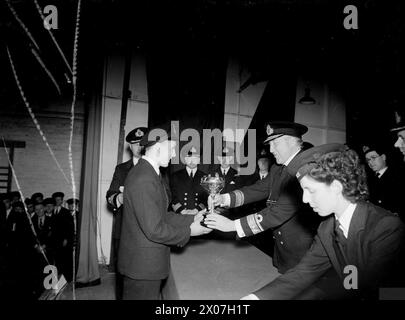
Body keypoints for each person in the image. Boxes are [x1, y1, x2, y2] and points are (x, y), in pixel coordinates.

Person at [240, 144, 405, 300]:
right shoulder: (327, 228)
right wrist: (256, 298)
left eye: (310, 191)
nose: (305, 200)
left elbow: (379, 291)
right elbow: (305, 272)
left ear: (336, 187)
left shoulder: (386, 227)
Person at [205, 121, 319, 274]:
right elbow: (258, 189)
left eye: (274, 144)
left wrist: (233, 226)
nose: (271, 150)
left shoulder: (304, 168)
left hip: (302, 253)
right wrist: (224, 199)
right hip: (282, 251)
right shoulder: (278, 168)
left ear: (290, 142)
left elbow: (279, 212)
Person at [117, 125, 212, 300]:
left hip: (145, 264)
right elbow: (154, 229)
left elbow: (161, 214)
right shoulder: (144, 178)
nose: (174, 154)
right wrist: (190, 231)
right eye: (172, 149)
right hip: (142, 268)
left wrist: (192, 218)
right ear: (159, 147)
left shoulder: (151, 173)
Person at [106, 126, 147, 298]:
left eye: (143, 143)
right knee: (123, 276)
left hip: (148, 231)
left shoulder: (158, 169)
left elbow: (167, 195)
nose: (139, 147)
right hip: (124, 231)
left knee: (146, 276)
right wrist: (121, 197)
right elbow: (110, 196)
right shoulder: (122, 169)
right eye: (135, 143)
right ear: (130, 146)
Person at [363, 143, 405, 220]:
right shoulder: (369, 179)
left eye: (373, 157)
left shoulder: (398, 176)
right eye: (368, 160)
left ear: (383, 157)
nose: (370, 162)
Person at [170, 146, 207, 215]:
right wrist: (182, 211)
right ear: (185, 159)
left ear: (199, 160)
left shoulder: (205, 177)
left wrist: (196, 210)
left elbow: (206, 198)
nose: (192, 160)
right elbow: (173, 197)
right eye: (189, 157)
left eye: (195, 157)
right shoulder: (175, 176)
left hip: (198, 214)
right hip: (180, 214)